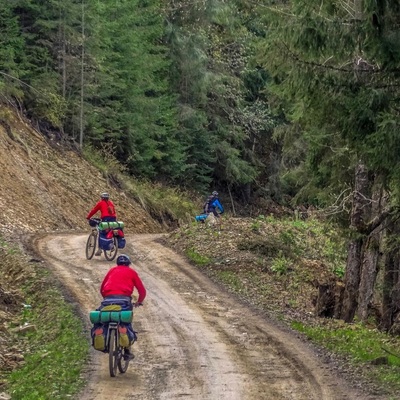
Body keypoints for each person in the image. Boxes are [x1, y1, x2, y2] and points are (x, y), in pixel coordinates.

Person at [98, 254, 146, 360]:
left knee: (104, 319)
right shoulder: (132, 272)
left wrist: (106, 298)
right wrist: (139, 301)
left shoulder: (112, 271)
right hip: (124, 301)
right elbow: (142, 291)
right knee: (125, 322)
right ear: (128, 264)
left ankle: (103, 340)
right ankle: (127, 351)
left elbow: (102, 288)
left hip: (108, 300)